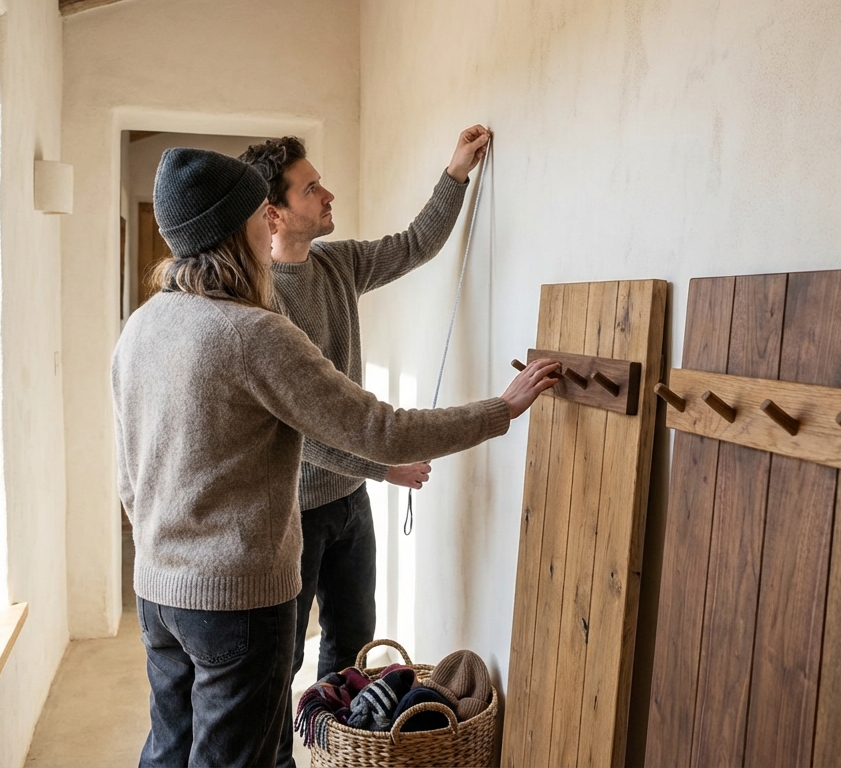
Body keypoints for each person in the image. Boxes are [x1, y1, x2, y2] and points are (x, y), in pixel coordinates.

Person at [112, 147, 557, 768]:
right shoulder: (254, 332)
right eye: (254, 215)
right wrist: (501, 410)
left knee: (168, 750)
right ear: (241, 228)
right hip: (234, 600)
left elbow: (128, 475)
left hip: (158, 591)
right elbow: (380, 431)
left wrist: (162, 551)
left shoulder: (143, 324)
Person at [239, 127, 490, 764]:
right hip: (293, 510)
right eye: (311, 187)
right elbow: (299, 431)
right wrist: (382, 465)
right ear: (274, 212)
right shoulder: (263, 306)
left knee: (352, 644)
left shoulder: (338, 263)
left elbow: (415, 244)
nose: (328, 194)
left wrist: (455, 171)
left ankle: (334, 751)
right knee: (284, 654)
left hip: (350, 503)